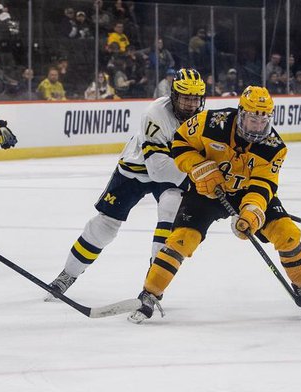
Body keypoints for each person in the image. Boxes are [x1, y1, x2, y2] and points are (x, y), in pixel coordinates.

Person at [127, 86, 301, 324]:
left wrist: (251, 214)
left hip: (246, 194)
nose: (258, 127)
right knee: (182, 239)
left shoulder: (274, 148)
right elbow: (180, 142)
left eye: (264, 121)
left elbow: (263, 186)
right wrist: (197, 166)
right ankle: (149, 294)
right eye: (252, 119)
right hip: (206, 191)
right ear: (241, 113)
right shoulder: (211, 122)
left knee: (287, 233)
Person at [45, 68, 206, 299]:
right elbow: (158, 170)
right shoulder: (155, 114)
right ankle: (67, 275)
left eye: (195, 99)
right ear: (174, 95)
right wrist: (199, 175)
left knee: (170, 213)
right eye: (185, 98)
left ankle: (153, 287)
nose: (191, 104)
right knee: (104, 226)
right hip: (138, 168)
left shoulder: (203, 119)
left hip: (171, 169)